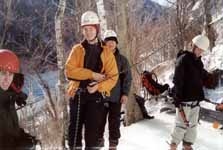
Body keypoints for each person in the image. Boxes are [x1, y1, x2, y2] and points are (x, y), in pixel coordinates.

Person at [65, 11, 118, 150]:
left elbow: (113, 77)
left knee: (92, 136)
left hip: (96, 98)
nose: (88, 32)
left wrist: (98, 87)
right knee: (74, 135)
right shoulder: (77, 50)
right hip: (77, 94)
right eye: (85, 29)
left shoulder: (106, 52)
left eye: (91, 29)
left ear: (97, 29)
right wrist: (92, 75)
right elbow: (69, 71)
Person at [169, 35, 211, 150]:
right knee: (180, 126)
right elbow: (177, 80)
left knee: (192, 127)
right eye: (199, 49)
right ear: (193, 46)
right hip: (184, 101)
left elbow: (200, 74)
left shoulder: (198, 62)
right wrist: (177, 98)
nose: (200, 52)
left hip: (195, 101)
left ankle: (187, 146)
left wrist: (208, 76)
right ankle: (173, 146)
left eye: (202, 50)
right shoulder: (183, 59)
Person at [97, 30, 132, 150]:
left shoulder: (122, 60)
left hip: (116, 97)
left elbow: (127, 78)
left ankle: (113, 146)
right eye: (108, 41)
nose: (111, 44)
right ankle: (98, 144)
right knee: (98, 122)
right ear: (104, 43)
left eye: (113, 41)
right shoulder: (99, 57)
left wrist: (125, 94)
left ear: (116, 43)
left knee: (114, 123)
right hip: (100, 96)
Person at [0, 49, 36, 149]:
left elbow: (7, 129)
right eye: (3, 73)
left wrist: (22, 137)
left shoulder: (8, 98)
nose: (7, 79)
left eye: (10, 74)